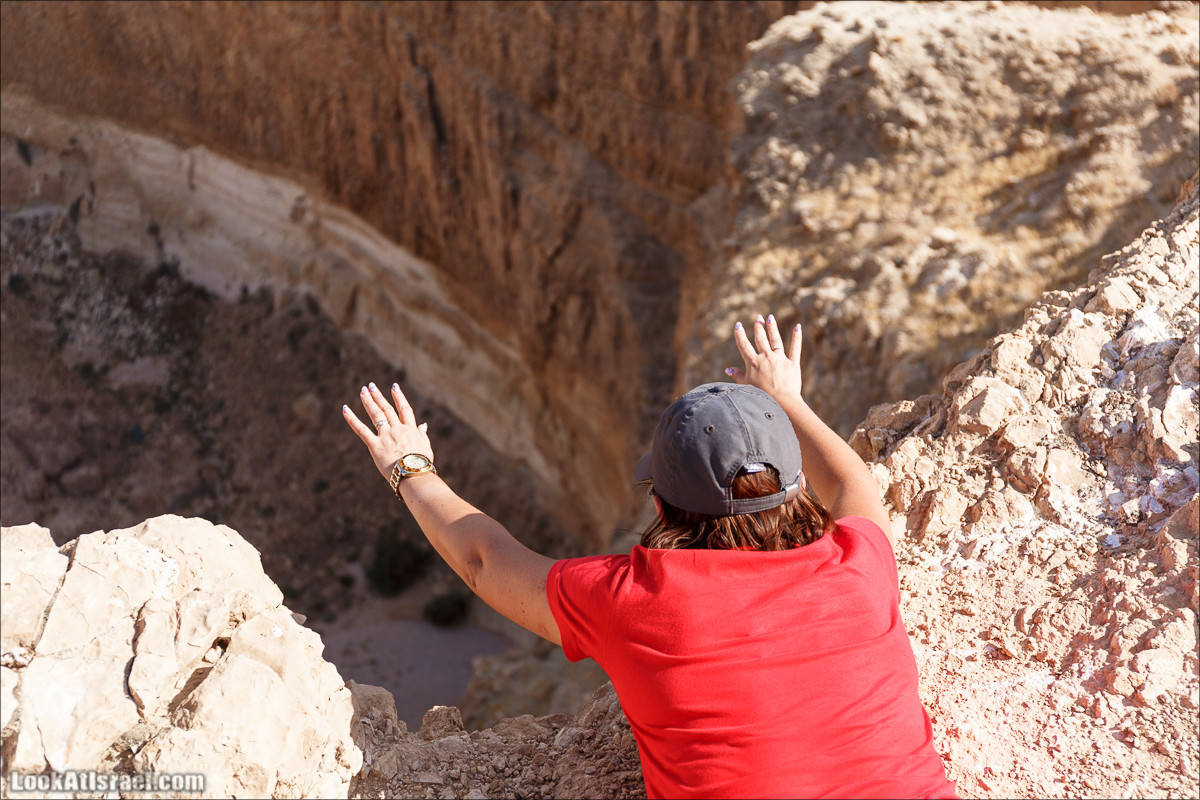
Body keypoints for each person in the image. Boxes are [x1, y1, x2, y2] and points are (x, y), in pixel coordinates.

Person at [343, 313, 958, 799]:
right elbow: (856, 489)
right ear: (795, 486)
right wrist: (788, 402)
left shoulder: (636, 600)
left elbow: (483, 561)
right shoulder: (858, 566)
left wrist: (410, 468)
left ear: (662, 507)